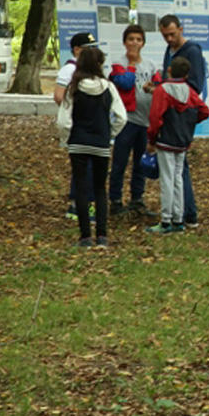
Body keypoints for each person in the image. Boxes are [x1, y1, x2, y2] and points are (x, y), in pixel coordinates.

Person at [56, 47, 126, 249]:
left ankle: (85, 237)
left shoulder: (73, 88)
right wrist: (109, 134)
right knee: (99, 188)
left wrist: (66, 138)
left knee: (80, 188)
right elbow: (121, 117)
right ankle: (102, 236)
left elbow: (63, 121)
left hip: (78, 142)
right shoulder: (108, 87)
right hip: (100, 143)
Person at [146, 56, 209, 235]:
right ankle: (178, 219)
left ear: (169, 70)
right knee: (178, 178)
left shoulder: (162, 90)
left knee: (166, 179)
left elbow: (155, 117)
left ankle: (166, 221)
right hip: (182, 141)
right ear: (187, 74)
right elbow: (204, 110)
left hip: (166, 139)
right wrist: (188, 122)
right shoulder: (189, 91)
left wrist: (151, 139)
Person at [153, 15, 207, 227]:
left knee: (176, 170)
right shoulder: (170, 50)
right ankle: (182, 213)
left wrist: (168, 93)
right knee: (177, 169)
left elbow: (195, 85)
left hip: (180, 116)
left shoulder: (192, 51)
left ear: (181, 29)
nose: (169, 39)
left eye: (172, 34)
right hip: (170, 115)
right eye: (165, 36)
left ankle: (185, 213)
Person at [107, 25, 157, 216]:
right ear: (124, 42)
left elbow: (159, 86)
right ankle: (116, 200)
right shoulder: (118, 63)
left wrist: (152, 87)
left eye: (138, 39)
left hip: (146, 121)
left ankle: (137, 199)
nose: (135, 43)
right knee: (119, 162)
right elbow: (125, 83)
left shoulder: (151, 65)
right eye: (131, 39)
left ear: (143, 43)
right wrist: (132, 64)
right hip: (127, 121)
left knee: (140, 162)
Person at [57, 31, 99, 220]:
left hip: (91, 127)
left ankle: (82, 202)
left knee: (89, 165)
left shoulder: (91, 70)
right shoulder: (69, 70)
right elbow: (59, 96)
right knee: (83, 166)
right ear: (76, 50)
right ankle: (78, 205)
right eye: (88, 48)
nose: (93, 52)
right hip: (77, 126)